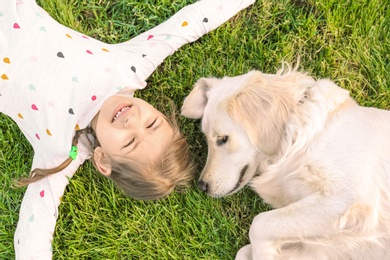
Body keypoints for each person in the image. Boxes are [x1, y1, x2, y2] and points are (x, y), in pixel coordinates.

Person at [0, 0, 255, 258]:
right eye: (152, 123)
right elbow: (188, 24)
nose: (132, 121)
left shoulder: (62, 152)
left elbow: (35, 230)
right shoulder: (129, 68)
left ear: (103, 160)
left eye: (130, 142)